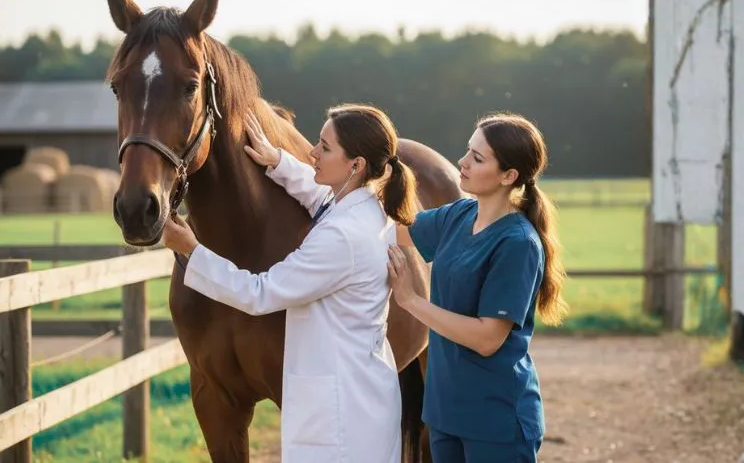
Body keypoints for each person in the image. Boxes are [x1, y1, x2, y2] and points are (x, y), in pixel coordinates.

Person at [161, 102, 418, 463]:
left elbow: (259, 293)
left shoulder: (341, 237)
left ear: (356, 165)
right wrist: (277, 161)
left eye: (325, 148)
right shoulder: (365, 207)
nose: (312, 152)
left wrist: (192, 250)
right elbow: (321, 200)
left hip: (341, 419)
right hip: (359, 396)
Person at [385, 112, 568, 462]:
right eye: (468, 151)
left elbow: (487, 339)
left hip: (496, 421)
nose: (462, 163)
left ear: (509, 176)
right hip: (443, 413)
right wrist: (290, 169)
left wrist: (410, 300)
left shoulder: (518, 243)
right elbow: (382, 229)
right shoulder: (457, 216)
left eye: (477, 158)